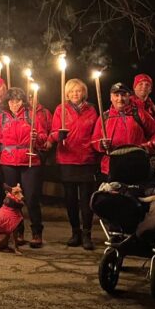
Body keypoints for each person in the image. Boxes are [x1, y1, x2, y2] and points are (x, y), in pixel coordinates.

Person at [0, 87, 50, 248]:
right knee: (13, 199)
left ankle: (37, 232)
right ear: (7, 102)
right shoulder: (2, 118)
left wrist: (37, 137)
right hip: (9, 162)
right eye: (11, 101)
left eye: (17, 101)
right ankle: (18, 232)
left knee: (31, 198)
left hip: (29, 161)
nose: (14, 104)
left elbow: (43, 138)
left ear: (23, 102)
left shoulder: (31, 116)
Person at [48, 78, 99, 250]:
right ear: (67, 94)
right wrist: (58, 136)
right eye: (71, 91)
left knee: (86, 200)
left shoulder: (91, 109)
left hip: (86, 159)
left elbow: (96, 132)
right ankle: (75, 232)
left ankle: (87, 234)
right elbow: (53, 132)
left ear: (83, 92)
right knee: (70, 199)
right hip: (67, 158)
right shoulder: (61, 109)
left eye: (78, 90)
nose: (75, 94)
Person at [91, 82, 155, 178]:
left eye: (123, 95)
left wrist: (147, 147)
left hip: (137, 164)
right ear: (111, 97)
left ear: (129, 96)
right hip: (111, 166)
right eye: (116, 95)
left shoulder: (140, 114)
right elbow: (94, 140)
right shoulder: (104, 117)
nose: (120, 99)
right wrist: (101, 144)